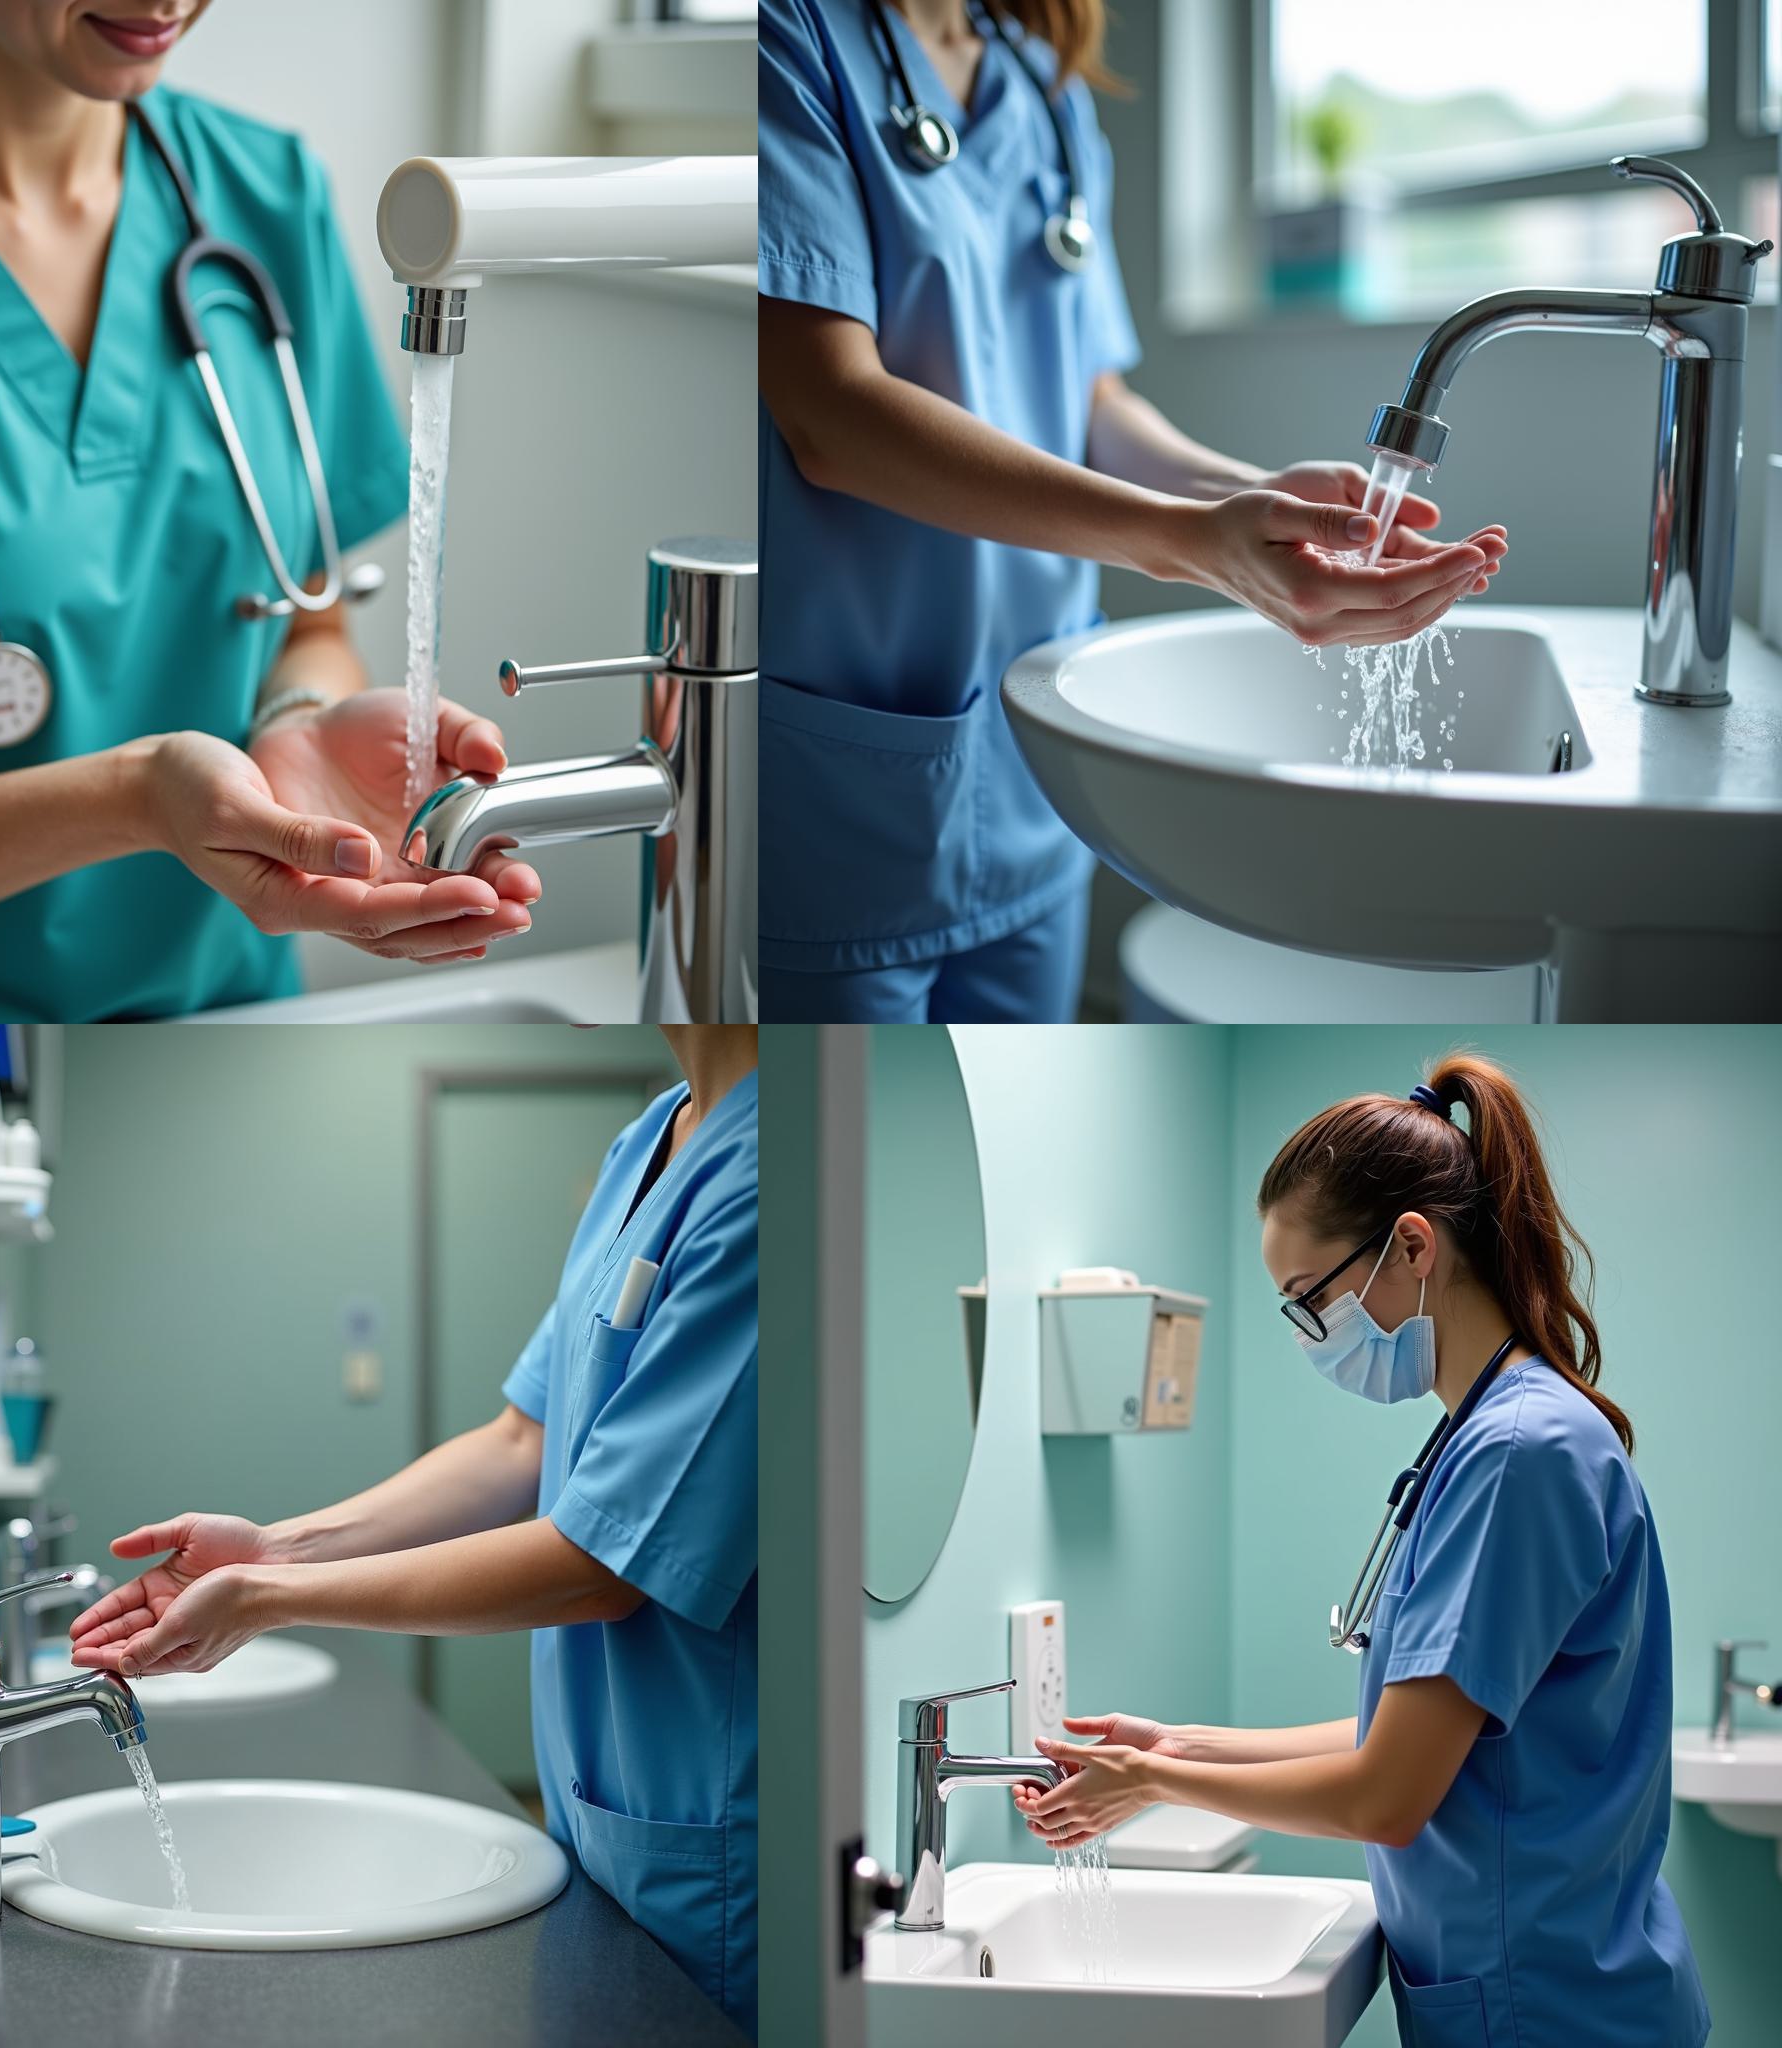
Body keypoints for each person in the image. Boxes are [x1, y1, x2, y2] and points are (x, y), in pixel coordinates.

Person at [0, 0, 539, 1019]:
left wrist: (298, 725)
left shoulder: (265, 196)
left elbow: (308, 625)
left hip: (233, 1026)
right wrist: (132, 798)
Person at [757, 0, 1508, 1022]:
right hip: (847, 795)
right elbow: (828, 410)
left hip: (1031, 786)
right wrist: (1185, 543)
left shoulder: (1045, 93)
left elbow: (1093, 405)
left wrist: (1249, 500)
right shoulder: (788, 40)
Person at [65, 1024, 758, 2034]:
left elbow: (602, 1563)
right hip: (607, 1821)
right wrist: (275, 1548)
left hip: (711, 1842)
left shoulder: (758, 1177)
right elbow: (520, 1439)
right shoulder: (650, 1137)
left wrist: (269, 1599)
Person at [1015, 1055, 1708, 2047]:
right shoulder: (1489, 1436)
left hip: (1549, 2008)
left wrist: (1154, 1784)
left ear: (1410, 1245)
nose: (1307, 1335)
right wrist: (1173, 1743)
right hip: (1540, 1986)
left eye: (1308, 1298)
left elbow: (1385, 1793)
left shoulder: (1517, 1455)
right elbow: (1404, 1736)